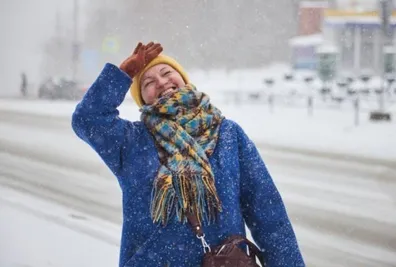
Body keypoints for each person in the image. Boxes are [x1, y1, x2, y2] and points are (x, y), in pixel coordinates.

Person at [72, 42, 305, 267]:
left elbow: (268, 214)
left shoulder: (228, 134)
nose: (162, 83)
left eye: (166, 72)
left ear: (183, 78)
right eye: (148, 82)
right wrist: (122, 75)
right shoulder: (131, 141)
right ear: (143, 99)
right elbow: (87, 120)